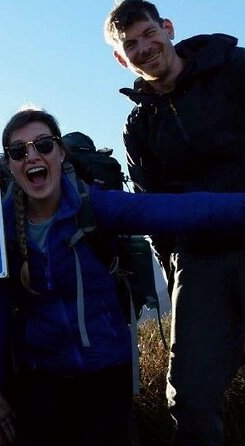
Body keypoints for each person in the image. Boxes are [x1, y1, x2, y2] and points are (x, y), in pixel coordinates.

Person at [0, 108, 245, 446]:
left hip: (106, 372)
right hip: (40, 377)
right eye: (19, 151)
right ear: (10, 164)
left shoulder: (95, 207)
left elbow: (177, 210)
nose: (32, 155)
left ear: (61, 153)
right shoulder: (0, 230)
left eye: (43, 145)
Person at [104, 1, 245, 443]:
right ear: (120, 58)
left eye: (149, 34)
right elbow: (151, 204)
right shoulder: (137, 124)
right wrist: (173, 265)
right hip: (199, 262)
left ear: (167, 27)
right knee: (190, 396)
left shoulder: (234, 68)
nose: (145, 48)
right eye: (131, 45)